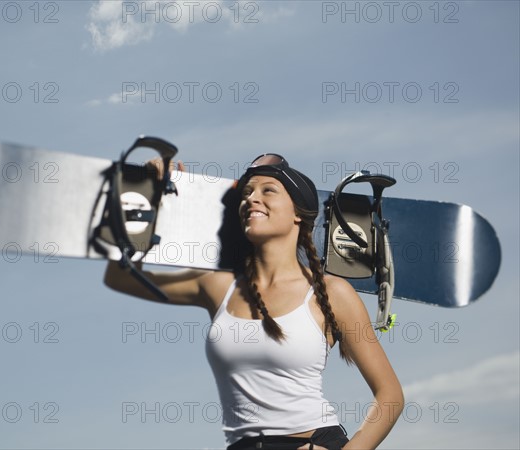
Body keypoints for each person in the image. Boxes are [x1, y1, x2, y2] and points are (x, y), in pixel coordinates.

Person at [104, 154, 404, 450]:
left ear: (298, 213)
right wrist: (148, 199)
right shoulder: (216, 285)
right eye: (246, 193)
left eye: (268, 190)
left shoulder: (330, 292)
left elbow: (390, 395)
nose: (252, 199)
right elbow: (120, 278)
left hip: (312, 442)